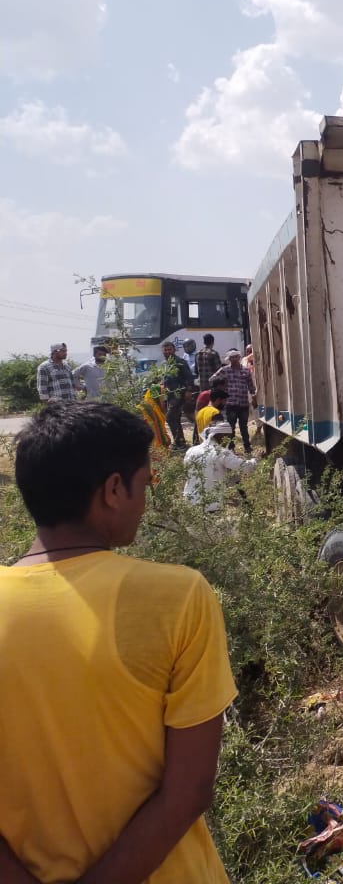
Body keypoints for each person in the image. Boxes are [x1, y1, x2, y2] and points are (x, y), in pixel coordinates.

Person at [0, 402, 235, 882]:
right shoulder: (176, 596)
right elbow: (187, 793)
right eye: (145, 483)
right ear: (113, 490)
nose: (145, 501)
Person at [184, 421, 258, 512]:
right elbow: (244, 467)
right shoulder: (221, 453)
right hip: (210, 504)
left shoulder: (191, 450)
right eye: (229, 437)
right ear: (220, 436)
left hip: (190, 501)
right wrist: (255, 461)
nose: (229, 440)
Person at [211, 349, 255, 453]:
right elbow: (212, 379)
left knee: (244, 426)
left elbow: (251, 386)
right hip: (230, 403)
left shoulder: (245, 370)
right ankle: (231, 448)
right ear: (229, 359)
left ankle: (247, 447)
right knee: (231, 427)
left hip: (243, 403)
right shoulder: (225, 370)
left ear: (239, 358)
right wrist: (222, 384)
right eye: (232, 358)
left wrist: (254, 398)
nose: (234, 359)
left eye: (236, 357)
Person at [159, 340, 194, 449]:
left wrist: (188, 391)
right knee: (176, 419)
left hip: (179, 395)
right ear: (162, 351)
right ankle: (180, 443)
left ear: (174, 350)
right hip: (169, 395)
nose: (168, 351)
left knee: (169, 418)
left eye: (170, 349)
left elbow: (189, 377)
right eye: (165, 350)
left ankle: (178, 442)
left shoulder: (180, 362)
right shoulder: (164, 364)